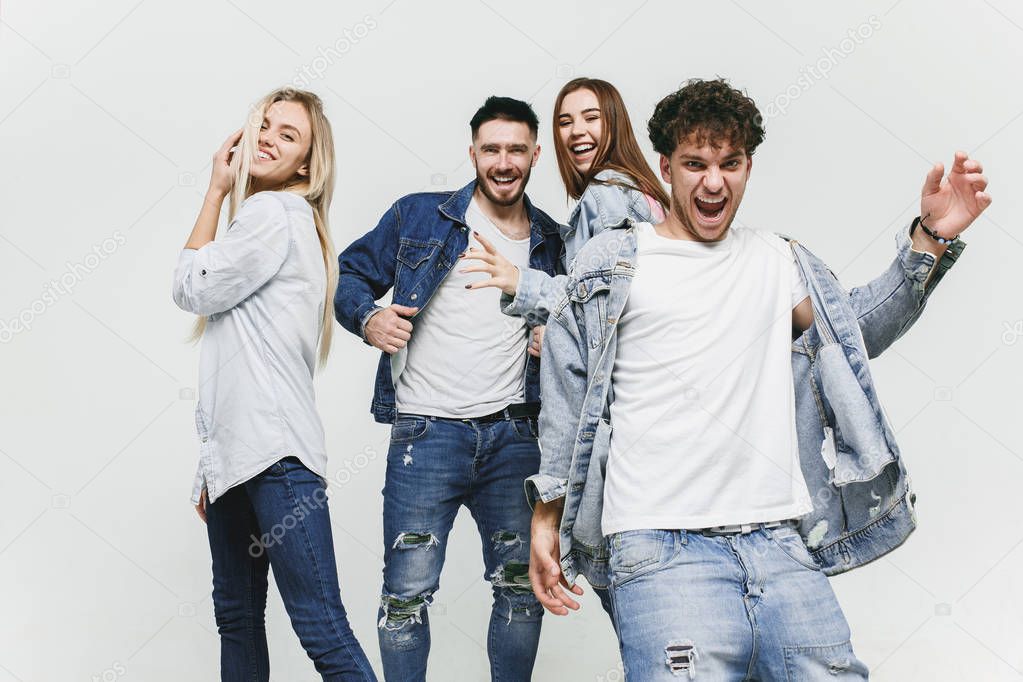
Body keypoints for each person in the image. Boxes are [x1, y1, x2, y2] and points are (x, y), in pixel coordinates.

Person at [528, 78, 989, 679]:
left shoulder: (777, 259)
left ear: (748, 167)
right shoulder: (614, 262)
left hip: (779, 546)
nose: (713, 182)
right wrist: (546, 516)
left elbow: (854, 336)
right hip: (661, 551)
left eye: (730, 163)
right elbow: (566, 388)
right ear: (665, 167)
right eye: (695, 164)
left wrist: (933, 238)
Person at [333, 96, 563, 681]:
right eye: (492, 149)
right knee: (406, 596)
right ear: (473, 153)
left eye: (516, 150)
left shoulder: (552, 241)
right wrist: (368, 319)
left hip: (515, 436)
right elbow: (350, 274)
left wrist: (551, 337)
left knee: (520, 588)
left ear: (535, 155)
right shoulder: (420, 216)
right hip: (426, 435)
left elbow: (587, 321)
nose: (504, 162)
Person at [173, 88, 377, 681]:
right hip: (241, 463)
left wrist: (215, 189)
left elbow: (192, 287)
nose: (268, 139)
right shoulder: (285, 223)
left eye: (288, 136)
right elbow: (238, 365)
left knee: (320, 630)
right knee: (239, 621)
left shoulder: (273, 214)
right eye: (265, 125)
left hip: (274, 459)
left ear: (308, 165)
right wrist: (211, 468)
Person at [463, 78, 668, 360]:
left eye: (591, 118)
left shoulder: (606, 194)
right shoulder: (635, 189)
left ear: (614, 123)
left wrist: (519, 282)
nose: (576, 131)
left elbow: (604, 312)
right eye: (565, 122)